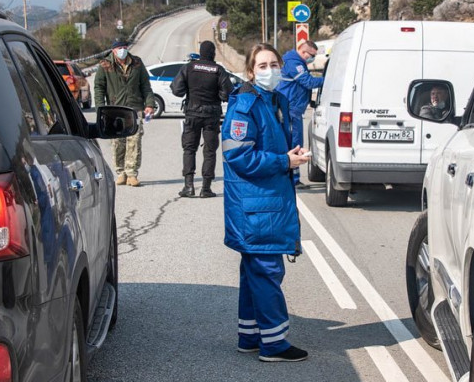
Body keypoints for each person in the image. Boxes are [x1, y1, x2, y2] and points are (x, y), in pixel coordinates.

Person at [221, 43, 311, 362]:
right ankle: (274, 344)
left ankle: (251, 336)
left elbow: (275, 145)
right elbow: (237, 154)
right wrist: (283, 162)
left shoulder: (277, 99)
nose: (270, 70)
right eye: (262, 65)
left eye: (274, 63)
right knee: (267, 270)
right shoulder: (245, 105)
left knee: (254, 272)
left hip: (267, 201)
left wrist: (291, 157)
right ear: (250, 72)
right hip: (256, 207)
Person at [171, 40, 233, 198]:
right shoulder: (218, 70)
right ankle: (206, 188)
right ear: (213, 53)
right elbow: (227, 94)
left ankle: (188, 186)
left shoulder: (189, 68)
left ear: (200, 52)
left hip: (192, 113)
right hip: (212, 116)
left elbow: (177, 90)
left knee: (189, 149)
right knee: (210, 151)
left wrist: (190, 89)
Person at [93, 39, 156, 186]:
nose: (122, 50)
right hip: (114, 110)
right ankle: (120, 172)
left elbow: (146, 85)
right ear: (113, 50)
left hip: (134, 109)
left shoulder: (137, 63)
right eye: (119, 48)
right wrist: (100, 109)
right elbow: (99, 88)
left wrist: (150, 104)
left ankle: (132, 173)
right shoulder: (105, 65)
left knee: (134, 141)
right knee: (117, 143)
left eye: (124, 47)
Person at [275, 39, 323, 188]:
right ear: (303, 52)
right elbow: (308, 82)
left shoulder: (297, 61)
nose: (312, 58)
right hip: (291, 108)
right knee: (294, 143)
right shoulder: (294, 63)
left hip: (293, 108)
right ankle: (293, 180)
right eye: (312, 55)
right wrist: (329, 79)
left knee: (295, 142)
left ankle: (292, 178)